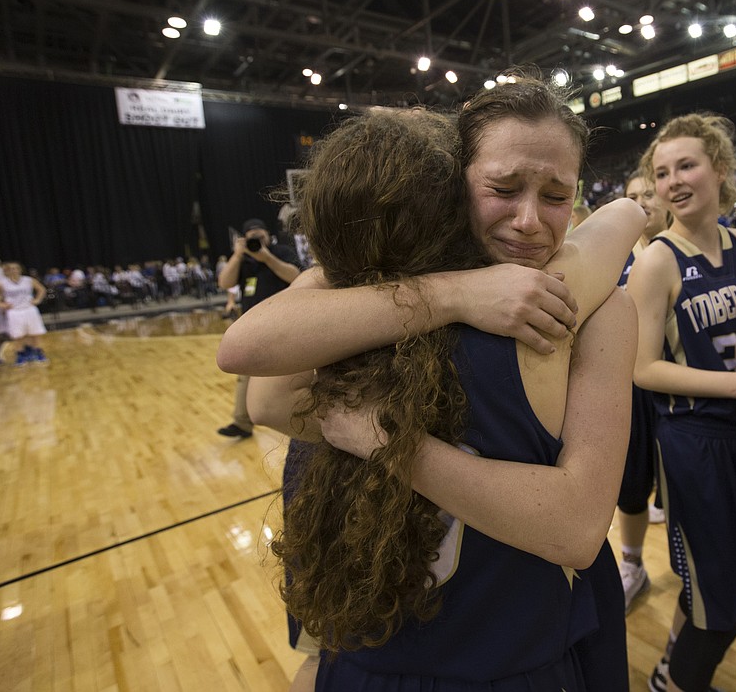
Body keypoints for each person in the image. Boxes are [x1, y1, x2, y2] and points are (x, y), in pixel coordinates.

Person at [217, 76, 644, 690]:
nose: (528, 221)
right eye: (502, 189)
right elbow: (249, 363)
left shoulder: (595, 305)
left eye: (557, 196)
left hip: (517, 641)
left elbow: (578, 529)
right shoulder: (365, 286)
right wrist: (455, 293)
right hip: (394, 646)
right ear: (450, 183)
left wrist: (392, 445)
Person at [625, 113, 736, 692]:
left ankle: (732, 673)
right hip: (696, 443)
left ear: (721, 169)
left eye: (686, 165)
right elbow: (642, 368)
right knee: (715, 602)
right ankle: (674, 682)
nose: (673, 181)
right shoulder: (658, 260)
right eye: (662, 173)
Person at [615, 169, 669, 612]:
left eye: (648, 193)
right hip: (630, 389)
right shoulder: (612, 256)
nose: (641, 202)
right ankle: (632, 563)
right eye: (632, 196)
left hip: (676, 388)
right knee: (631, 486)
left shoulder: (678, 254)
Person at [215, 217, 300, 438]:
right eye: (251, 238)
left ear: (267, 235)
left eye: (260, 236)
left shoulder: (280, 251)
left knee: (292, 370)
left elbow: (295, 276)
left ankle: (297, 420)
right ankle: (242, 422)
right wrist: (237, 254)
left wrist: (266, 257)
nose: (256, 241)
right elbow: (225, 283)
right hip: (252, 323)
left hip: (282, 320)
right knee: (245, 371)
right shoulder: (243, 260)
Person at [0, 262, 49, 364]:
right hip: (14, 311)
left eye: (16, 268)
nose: (14, 270)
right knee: (18, 335)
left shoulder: (28, 280)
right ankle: (20, 354)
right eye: (11, 268)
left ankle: (37, 352)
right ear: (7, 271)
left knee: (34, 333)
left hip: (29, 309)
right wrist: (1, 304)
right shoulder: (2, 282)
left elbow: (42, 289)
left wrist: (37, 300)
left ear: (20, 269)